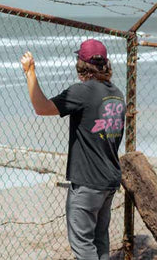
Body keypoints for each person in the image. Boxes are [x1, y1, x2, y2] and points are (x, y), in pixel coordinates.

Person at [20, 39, 126, 260]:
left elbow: (41, 107)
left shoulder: (83, 91)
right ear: (105, 64)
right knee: (100, 243)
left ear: (82, 65)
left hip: (88, 183)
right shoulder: (116, 94)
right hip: (108, 180)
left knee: (83, 246)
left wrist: (30, 72)